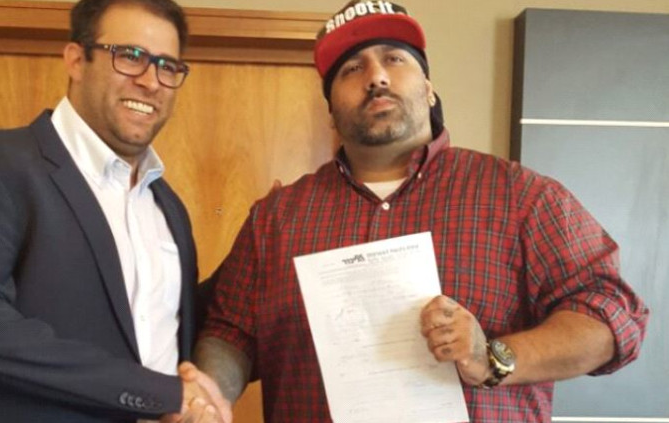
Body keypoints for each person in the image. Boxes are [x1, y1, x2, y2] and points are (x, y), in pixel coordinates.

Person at [194, 1, 650, 422]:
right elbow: (230, 331)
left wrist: (493, 357)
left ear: (429, 90)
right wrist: (209, 397)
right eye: (352, 68)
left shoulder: (522, 197)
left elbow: (612, 317)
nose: (376, 77)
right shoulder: (276, 218)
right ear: (330, 110)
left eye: (394, 59)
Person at [0, 0, 229, 422]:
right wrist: (158, 393)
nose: (151, 81)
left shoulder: (168, 206)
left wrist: (264, 236)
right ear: (76, 60)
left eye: (167, 67)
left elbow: (158, 326)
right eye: (130, 56)